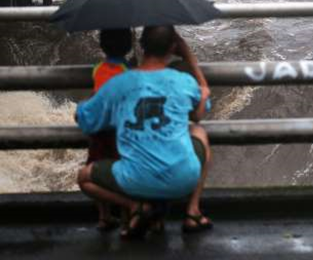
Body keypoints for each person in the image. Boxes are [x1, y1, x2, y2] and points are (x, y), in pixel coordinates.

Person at [76, 26, 213, 238]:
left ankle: (135, 205)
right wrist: (196, 72)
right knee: (199, 132)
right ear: (172, 48)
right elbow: (200, 112)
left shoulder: (119, 83)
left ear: (140, 45)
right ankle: (192, 211)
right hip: (182, 180)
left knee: (84, 177)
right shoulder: (183, 81)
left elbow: (85, 120)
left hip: (134, 182)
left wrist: (92, 98)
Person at [88, 29, 133, 232]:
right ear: (129, 46)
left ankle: (103, 216)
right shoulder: (127, 71)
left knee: (96, 166)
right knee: (123, 171)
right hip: (119, 129)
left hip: (99, 129)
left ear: (102, 46)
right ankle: (126, 217)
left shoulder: (97, 69)